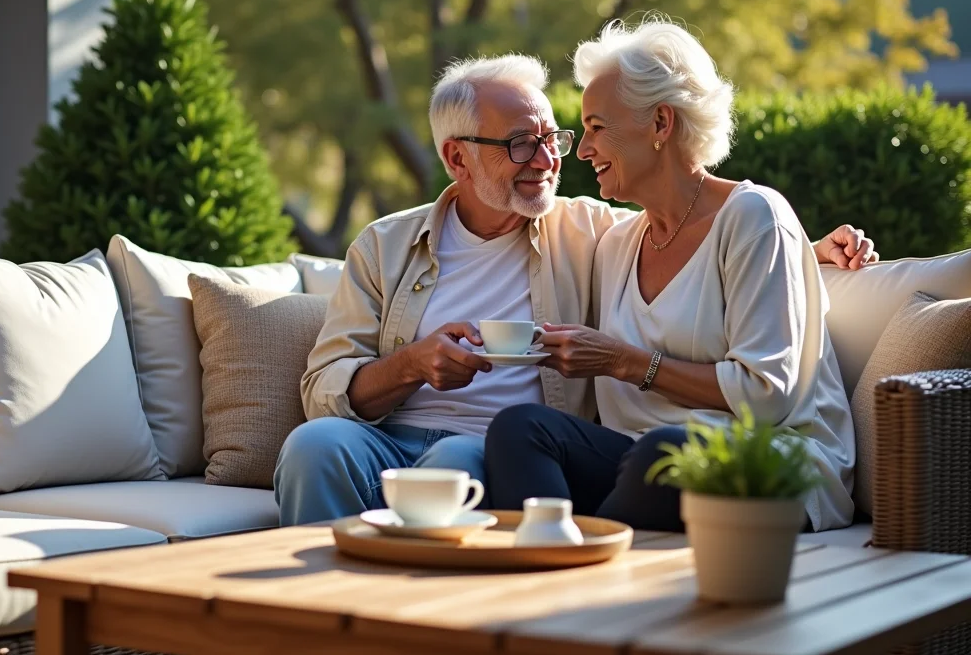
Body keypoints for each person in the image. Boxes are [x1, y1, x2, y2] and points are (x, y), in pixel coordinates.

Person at [276, 51, 874, 527]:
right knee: (314, 446)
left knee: (461, 457)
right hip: (386, 437)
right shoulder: (384, 246)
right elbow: (322, 389)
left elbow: (704, 230)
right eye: (520, 143)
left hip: (485, 446)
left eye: (553, 138)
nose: (550, 160)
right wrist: (411, 364)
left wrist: (805, 249)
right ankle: (310, 616)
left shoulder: (589, 230)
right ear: (457, 159)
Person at [484, 18, 868, 533]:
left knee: (665, 455)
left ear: (661, 123)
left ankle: (580, 560)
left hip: (769, 459)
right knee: (520, 429)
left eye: (597, 127)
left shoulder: (754, 218)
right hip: (643, 460)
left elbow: (767, 395)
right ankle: (553, 552)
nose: (583, 150)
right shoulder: (618, 244)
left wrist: (623, 362)